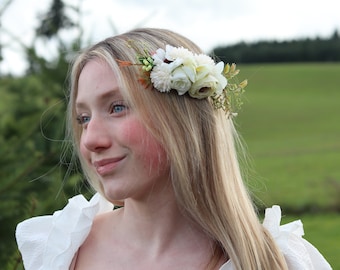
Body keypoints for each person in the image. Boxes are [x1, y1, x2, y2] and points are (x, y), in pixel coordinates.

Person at [16, 28, 332, 270]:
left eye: (117, 107)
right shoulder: (61, 248)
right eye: (83, 118)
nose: (89, 140)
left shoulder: (273, 260)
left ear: (181, 119)